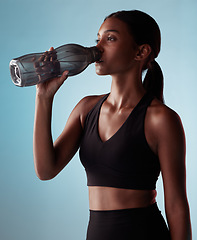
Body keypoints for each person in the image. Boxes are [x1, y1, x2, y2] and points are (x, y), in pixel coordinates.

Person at [33, 10, 192, 240]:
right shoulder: (86, 109)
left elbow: (177, 205)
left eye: (110, 38)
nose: (98, 48)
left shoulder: (161, 119)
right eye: (97, 39)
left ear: (141, 51)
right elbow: (46, 170)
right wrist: (43, 97)